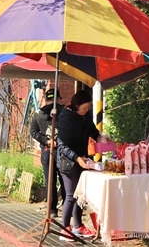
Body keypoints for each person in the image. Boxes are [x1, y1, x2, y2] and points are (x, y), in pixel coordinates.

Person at [54, 89, 100, 242]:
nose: (87, 110)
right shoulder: (66, 119)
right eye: (85, 107)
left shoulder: (85, 117)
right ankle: (65, 228)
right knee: (70, 196)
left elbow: (92, 130)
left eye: (89, 107)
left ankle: (78, 226)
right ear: (76, 105)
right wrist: (77, 158)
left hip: (82, 160)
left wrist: (100, 137)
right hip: (67, 162)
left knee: (80, 195)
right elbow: (62, 146)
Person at [29, 94, 61, 218]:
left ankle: (52, 209)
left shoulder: (37, 115)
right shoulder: (64, 112)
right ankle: (68, 206)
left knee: (50, 181)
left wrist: (46, 141)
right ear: (58, 99)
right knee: (64, 180)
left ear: (46, 99)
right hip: (62, 152)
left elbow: (33, 132)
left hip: (47, 151)